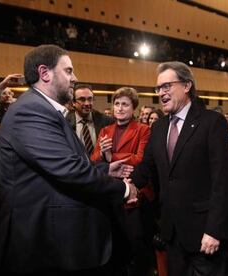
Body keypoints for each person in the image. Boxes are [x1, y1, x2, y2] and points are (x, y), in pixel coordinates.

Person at [0, 44, 138, 275]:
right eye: (69, 71)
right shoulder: (30, 110)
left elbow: (69, 161)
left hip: (56, 239)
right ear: (44, 73)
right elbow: (69, 170)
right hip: (43, 241)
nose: (75, 78)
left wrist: (105, 169)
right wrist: (123, 189)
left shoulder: (45, 110)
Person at [131, 61, 228, 275]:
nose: (161, 93)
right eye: (158, 88)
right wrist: (128, 185)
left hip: (203, 234)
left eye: (166, 86)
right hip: (170, 233)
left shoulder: (212, 122)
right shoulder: (159, 126)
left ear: (187, 86)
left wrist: (214, 230)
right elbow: (147, 166)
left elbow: (223, 181)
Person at [91, 87, 154, 276]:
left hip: (135, 192)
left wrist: (110, 157)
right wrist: (104, 155)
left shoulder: (143, 130)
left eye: (125, 104)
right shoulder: (105, 130)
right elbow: (93, 161)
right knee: (115, 243)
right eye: (117, 104)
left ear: (133, 108)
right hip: (110, 192)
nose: (119, 108)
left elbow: (141, 159)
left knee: (136, 242)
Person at [66, 83, 114, 156]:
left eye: (90, 99)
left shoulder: (106, 121)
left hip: (101, 165)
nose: (87, 103)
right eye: (82, 99)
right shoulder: (65, 122)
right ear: (73, 103)